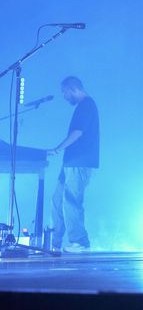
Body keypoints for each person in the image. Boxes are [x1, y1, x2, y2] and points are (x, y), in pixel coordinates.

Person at [48, 76, 99, 253]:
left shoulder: (86, 105)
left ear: (72, 88)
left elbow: (78, 132)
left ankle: (80, 242)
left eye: (64, 92)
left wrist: (57, 148)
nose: (64, 96)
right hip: (70, 163)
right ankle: (55, 242)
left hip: (80, 161)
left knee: (71, 200)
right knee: (57, 200)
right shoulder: (83, 106)